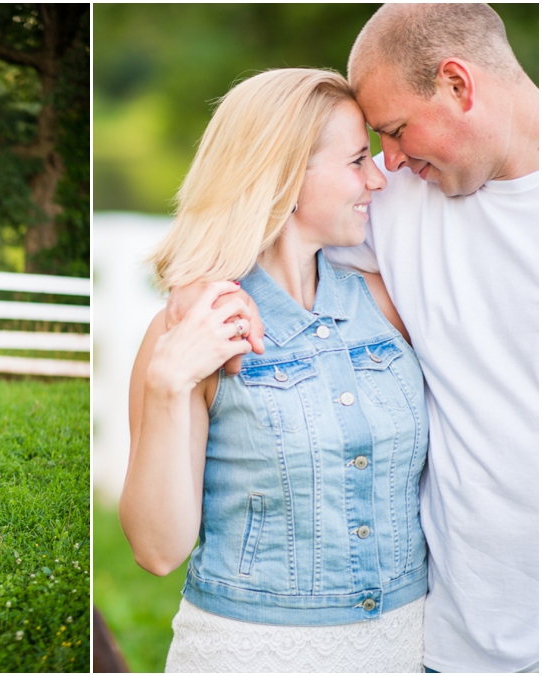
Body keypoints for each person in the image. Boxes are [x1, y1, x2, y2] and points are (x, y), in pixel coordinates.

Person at [171, 5, 539, 672]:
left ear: (458, 85)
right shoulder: (397, 192)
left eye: (394, 130)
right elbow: (262, 213)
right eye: (374, 144)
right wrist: (197, 291)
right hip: (446, 637)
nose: (386, 161)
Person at [122, 68, 430, 672]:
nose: (376, 177)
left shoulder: (389, 303)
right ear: (285, 175)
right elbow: (158, 551)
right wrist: (166, 386)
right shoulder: (194, 331)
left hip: (404, 645)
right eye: (356, 160)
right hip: (254, 653)